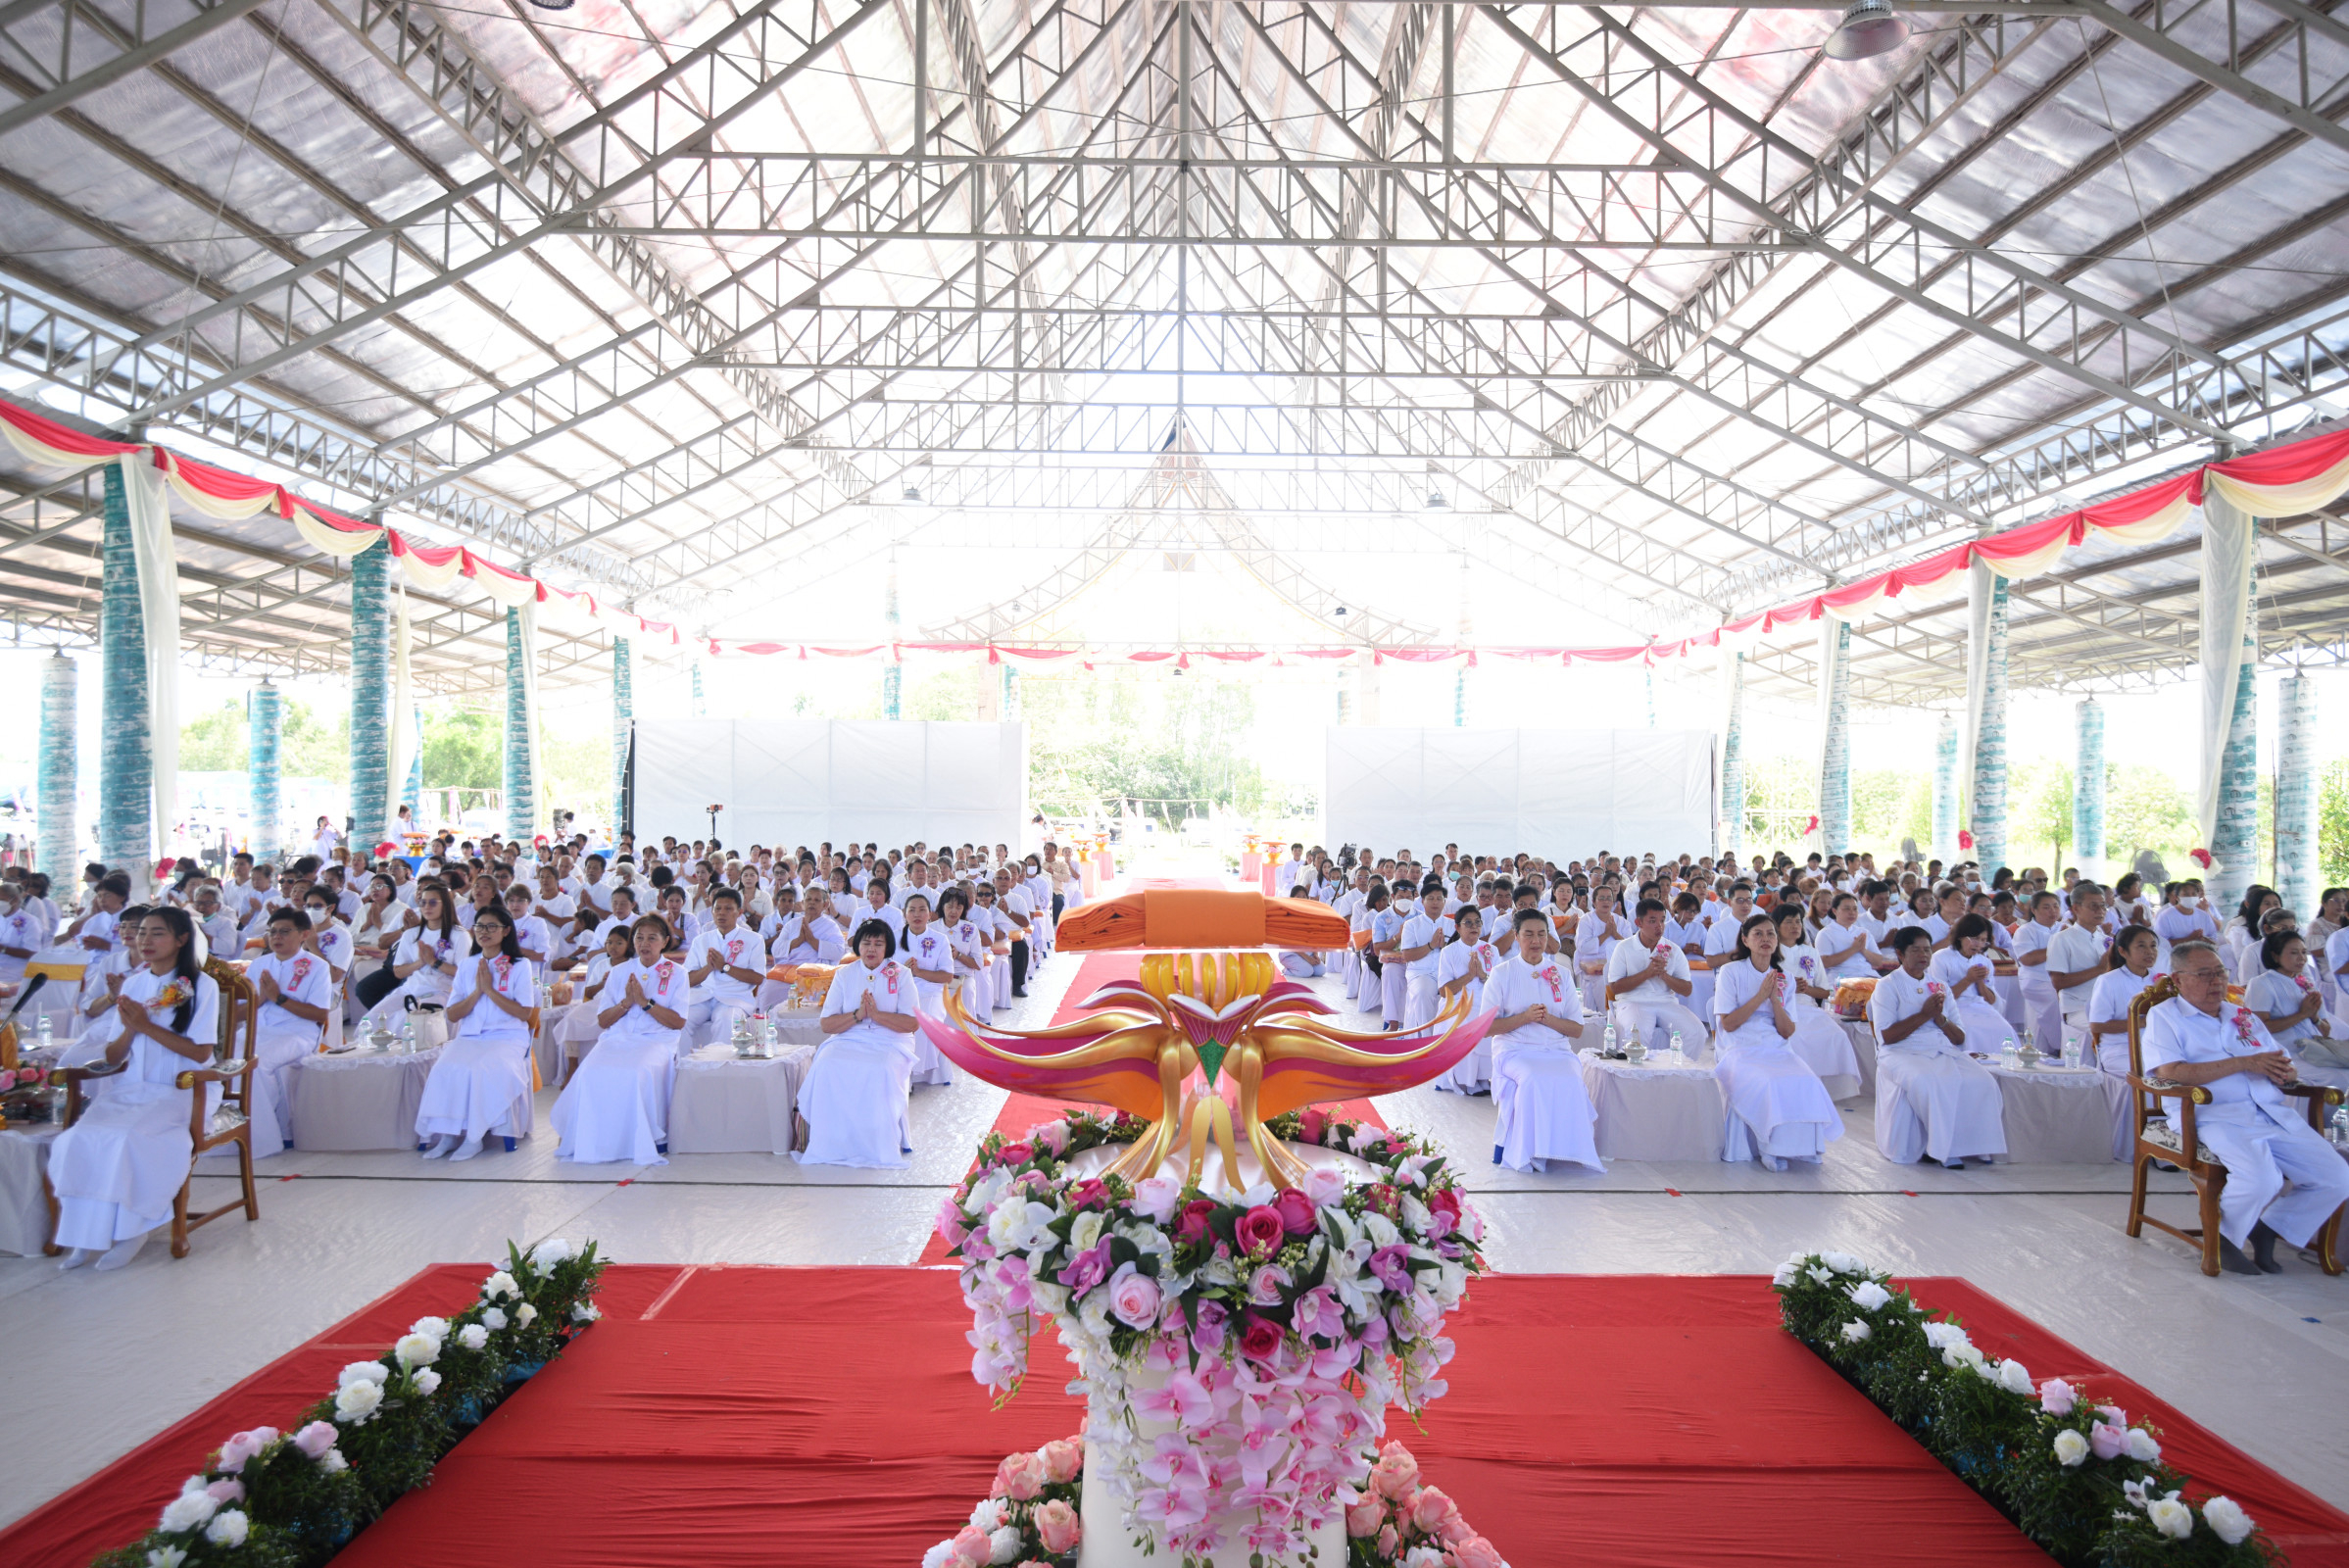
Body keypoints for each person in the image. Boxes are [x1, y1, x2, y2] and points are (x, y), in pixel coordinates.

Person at [2142, 941, 2349, 1274]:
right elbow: (2171, 1072)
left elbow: (2275, 1060)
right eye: (2204, 974)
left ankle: (2270, 1228)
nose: (2217, 982)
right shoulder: (2165, 1016)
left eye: (2220, 972)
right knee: (2262, 1179)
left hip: (2270, 1111)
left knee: (2337, 1176)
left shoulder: (2242, 1015)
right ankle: (2223, 1239)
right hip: (2213, 1114)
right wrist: (2244, 1063)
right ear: (2179, 980)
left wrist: (2285, 1072)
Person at [49, 909, 220, 1271]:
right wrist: (130, 1028)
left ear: (181, 940)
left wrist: (145, 1024)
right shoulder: (133, 985)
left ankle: (131, 1230)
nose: (145, 940)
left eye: (157, 933)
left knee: (127, 1138)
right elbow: (113, 1055)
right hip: (133, 1089)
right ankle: (84, 1235)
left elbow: (201, 1053)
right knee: (78, 1139)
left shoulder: (201, 985)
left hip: (183, 1091)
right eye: (141, 933)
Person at [551, 915, 691, 1165]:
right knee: (590, 1071)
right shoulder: (619, 972)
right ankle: (593, 1138)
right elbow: (604, 1021)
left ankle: (637, 1140)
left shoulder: (678, 973)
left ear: (665, 942)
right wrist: (627, 1003)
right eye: (639, 938)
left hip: (656, 1040)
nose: (644, 944)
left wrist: (646, 1003)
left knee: (636, 1072)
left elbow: (678, 1022)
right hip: (617, 1038)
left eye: (652, 938)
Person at [1711, 913, 1845, 1169]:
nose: (1765, 939)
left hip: (1776, 1048)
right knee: (1770, 1082)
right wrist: (1761, 995)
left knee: (1806, 1080)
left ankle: (1803, 1148)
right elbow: (1727, 1024)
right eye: (1758, 934)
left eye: (1770, 934)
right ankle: (1769, 1149)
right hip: (1739, 1046)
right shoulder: (1730, 972)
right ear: (1745, 940)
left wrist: (1774, 1000)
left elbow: (1786, 1031)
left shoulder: (1784, 978)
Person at [1868, 926, 2009, 1169]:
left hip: (1942, 1048)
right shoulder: (1887, 985)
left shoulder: (1940, 986)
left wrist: (1940, 1019)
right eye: (1916, 950)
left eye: (1927, 950)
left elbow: (1959, 1037)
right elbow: (1887, 1037)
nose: (1923, 955)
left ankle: (1976, 1147)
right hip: (1901, 1051)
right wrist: (1924, 1015)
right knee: (1929, 1083)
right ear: (1901, 954)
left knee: (1983, 1082)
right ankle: (1942, 1150)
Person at [1486, 907, 1602, 1175]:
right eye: (1528, 934)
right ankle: (1531, 1152)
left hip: (1556, 1050)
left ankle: (1568, 1148)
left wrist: (1547, 1020)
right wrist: (1525, 1017)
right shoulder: (1501, 974)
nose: (1535, 941)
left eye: (1541, 934)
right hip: (1514, 1050)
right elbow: (1487, 1028)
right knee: (1533, 1078)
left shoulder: (1560, 973)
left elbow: (1575, 1029)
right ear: (1516, 936)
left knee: (1572, 1077)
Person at [417, 903, 537, 1161]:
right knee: (444, 1068)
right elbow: (452, 1013)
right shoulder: (468, 965)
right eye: (480, 926)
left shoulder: (520, 965)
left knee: (479, 1070)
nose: (484, 931)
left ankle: (474, 1137)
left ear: (506, 931)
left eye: (491, 926)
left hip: (507, 1037)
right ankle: (448, 1134)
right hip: (470, 1036)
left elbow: (524, 1013)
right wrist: (478, 991)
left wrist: (491, 990)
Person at [797, 918, 919, 1168]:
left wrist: (877, 1016)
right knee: (827, 1064)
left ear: (887, 948)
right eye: (866, 943)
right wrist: (857, 1015)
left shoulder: (901, 974)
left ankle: (876, 1143)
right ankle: (832, 1142)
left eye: (878, 943)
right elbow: (827, 1025)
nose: (871, 949)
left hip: (891, 1040)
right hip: (850, 1035)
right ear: (858, 946)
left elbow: (912, 1023)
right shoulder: (844, 974)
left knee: (880, 1069)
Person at [241, 907, 334, 1155]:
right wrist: (260, 1000)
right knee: (223, 1058)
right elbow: (241, 1012)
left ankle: (265, 1137)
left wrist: (278, 998)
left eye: (284, 931)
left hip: (297, 1033)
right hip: (257, 1029)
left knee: (255, 1064)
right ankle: (228, 1131)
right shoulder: (259, 964)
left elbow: (320, 1015)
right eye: (272, 932)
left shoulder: (317, 966)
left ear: (304, 934)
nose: (276, 937)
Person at [1770, 905, 1864, 1097]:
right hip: (1780, 1009)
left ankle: (1828, 1091)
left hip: (1808, 1007)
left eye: (1797, 921)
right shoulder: (1769, 951)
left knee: (1836, 1035)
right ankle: (1798, 1090)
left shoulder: (1809, 951)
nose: (1794, 926)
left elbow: (1824, 992)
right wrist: (1787, 987)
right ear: (1776, 926)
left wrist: (1806, 989)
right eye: (1788, 922)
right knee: (1796, 1039)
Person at [2245, 930, 2349, 1092]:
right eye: (2294, 953)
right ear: (2275, 956)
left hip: (2315, 1050)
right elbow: (2259, 1028)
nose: (2301, 958)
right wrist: (2302, 1014)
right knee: (2339, 1080)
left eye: (2303, 952)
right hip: (2285, 1053)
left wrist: (2314, 1018)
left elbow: (2326, 1031)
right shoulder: (2262, 983)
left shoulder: (2305, 983)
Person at [1603, 899, 1708, 1056]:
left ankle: (1675, 1074)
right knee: (1637, 1035)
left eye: (1662, 920)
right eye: (1652, 921)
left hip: (1666, 1002)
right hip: (1632, 1002)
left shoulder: (1673, 949)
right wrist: (1647, 973)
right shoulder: (1623, 947)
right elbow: (1615, 988)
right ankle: (1639, 1077)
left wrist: (1664, 976)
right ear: (1638, 922)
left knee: (1697, 1032)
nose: (1659, 926)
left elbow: (1687, 990)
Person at [366, 883, 470, 1027]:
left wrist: (434, 962)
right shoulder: (411, 933)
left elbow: (464, 974)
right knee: (372, 1019)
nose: (427, 907)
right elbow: (398, 972)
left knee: (407, 1021)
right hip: (410, 990)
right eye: (423, 902)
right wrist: (420, 963)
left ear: (445, 905)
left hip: (441, 991)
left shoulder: (459, 935)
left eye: (433, 902)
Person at [1927, 915, 2025, 1055]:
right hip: (1954, 1008)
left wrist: (1980, 982)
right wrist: (1968, 979)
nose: (1978, 944)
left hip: (1979, 1007)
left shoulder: (1984, 961)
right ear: (1960, 937)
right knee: (1970, 1030)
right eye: (1974, 938)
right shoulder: (1941, 958)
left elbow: (1991, 1000)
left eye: (1983, 940)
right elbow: (1940, 998)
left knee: (2005, 1030)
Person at [684, 887, 766, 1049]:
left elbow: (758, 978)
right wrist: (708, 968)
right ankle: (684, 1067)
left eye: (728, 909)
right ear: (712, 912)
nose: (722, 913)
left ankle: (718, 1068)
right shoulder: (701, 940)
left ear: (739, 912)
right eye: (718, 909)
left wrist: (725, 967)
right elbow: (687, 980)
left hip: (734, 998)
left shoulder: (754, 939)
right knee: (681, 1020)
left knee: (726, 1020)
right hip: (702, 997)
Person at [1432, 906, 1497, 1094]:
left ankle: (1483, 1077)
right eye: (1468, 923)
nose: (1473, 926)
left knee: (1491, 1017)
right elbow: (1444, 992)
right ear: (1457, 927)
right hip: (1458, 1002)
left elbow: (1498, 984)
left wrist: (1482, 975)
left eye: (1477, 922)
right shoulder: (1449, 951)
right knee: (1468, 1018)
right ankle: (1467, 1080)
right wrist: (1469, 976)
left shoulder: (1491, 950)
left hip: (1486, 999)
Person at [2047, 884, 2113, 1057]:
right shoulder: (2062, 939)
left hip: (2105, 1004)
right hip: (2078, 1008)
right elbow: (2058, 982)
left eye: (2103, 905)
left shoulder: (2105, 939)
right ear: (2076, 908)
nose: (2100, 910)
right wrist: (2099, 968)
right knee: (2110, 1035)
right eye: (2093, 906)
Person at [899, 893, 957, 1086]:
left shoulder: (939, 940)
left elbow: (947, 976)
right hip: (900, 991)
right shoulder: (895, 938)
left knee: (923, 1022)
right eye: (912, 910)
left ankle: (916, 1075)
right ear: (904, 914)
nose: (917, 914)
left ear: (930, 914)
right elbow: (886, 969)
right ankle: (900, 1072)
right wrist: (905, 972)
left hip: (931, 991)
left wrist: (918, 972)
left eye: (922, 910)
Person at [1395, 880, 1452, 1032]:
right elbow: (1407, 955)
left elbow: (1458, 953)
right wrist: (1431, 945)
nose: (1435, 902)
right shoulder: (1412, 924)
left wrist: (1444, 946)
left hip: (1447, 974)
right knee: (1422, 993)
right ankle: (1427, 1042)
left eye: (1439, 898)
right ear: (1422, 902)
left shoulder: (1453, 925)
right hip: (1421, 973)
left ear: (1444, 902)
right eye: (1431, 898)